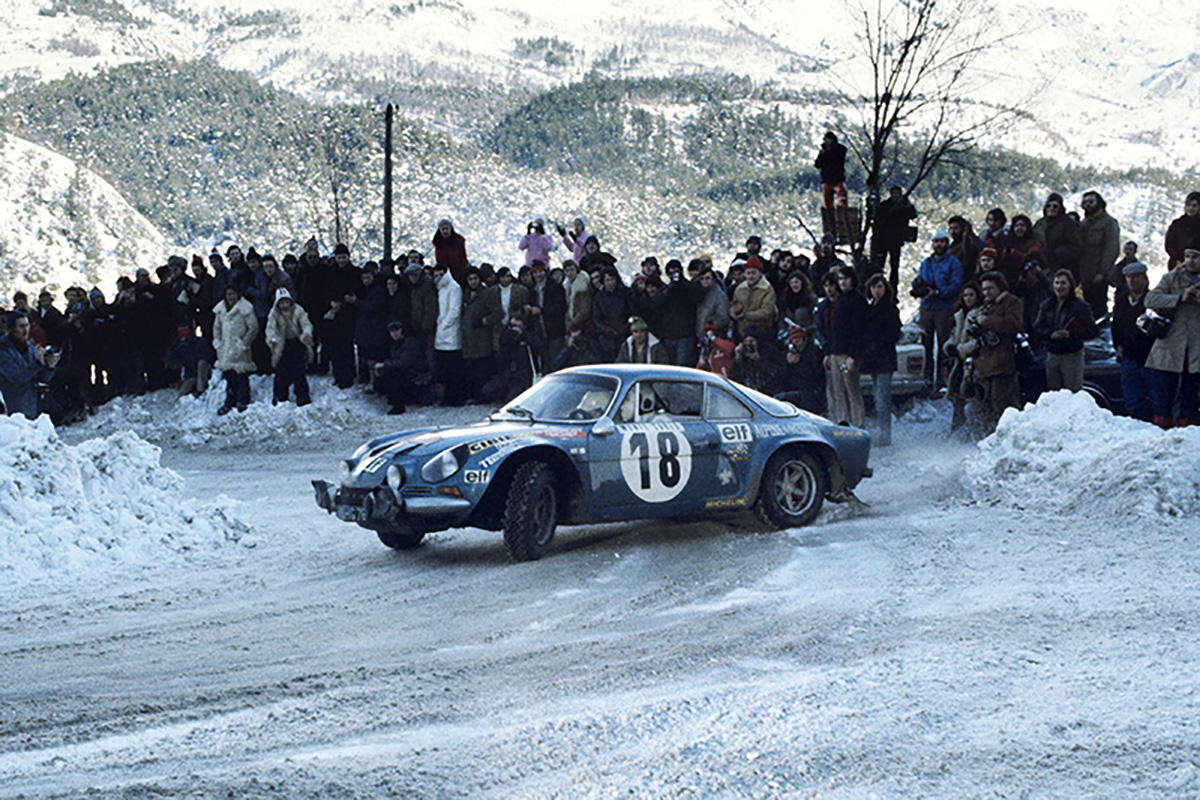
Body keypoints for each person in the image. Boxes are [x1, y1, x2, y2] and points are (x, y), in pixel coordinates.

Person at [1145, 245, 1200, 427]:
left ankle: (1188, 431)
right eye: (1187, 256)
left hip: (1196, 349)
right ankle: (1162, 430)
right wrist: (1178, 297)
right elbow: (1150, 299)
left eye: (1195, 257)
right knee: (1164, 396)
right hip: (1170, 347)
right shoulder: (1172, 278)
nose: (1190, 261)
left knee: (1190, 397)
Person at [970, 272, 1024, 430]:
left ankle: (1008, 433)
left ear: (1000, 287)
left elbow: (1014, 324)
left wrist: (987, 321)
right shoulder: (988, 305)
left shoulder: (1010, 302)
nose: (986, 292)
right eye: (984, 289)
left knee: (1001, 404)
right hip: (986, 363)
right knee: (987, 404)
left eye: (990, 288)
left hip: (1003, 361)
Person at [912, 229, 964, 389]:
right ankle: (926, 379)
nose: (938, 245)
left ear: (947, 243)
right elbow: (921, 278)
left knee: (944, 345)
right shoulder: (926, 263)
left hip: (944, 308)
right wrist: (918, 285)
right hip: (926, 307)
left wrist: (939, 292)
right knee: (925, 344)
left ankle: (943, 381)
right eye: (936, 241)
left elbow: (956, 286)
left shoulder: (954, 263)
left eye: (941, 241)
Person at [1033, 269, 1097, 392]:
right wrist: (1050, 334)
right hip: (1052, 354)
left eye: (1063, 283)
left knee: (1073, 393)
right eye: (1056, 283)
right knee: (1053, 394)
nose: (1059, 287)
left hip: (1072, 356)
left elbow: (1091, 330)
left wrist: (1070, 334)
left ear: (1070, 285)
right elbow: (1038, 327)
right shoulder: (1047, 305)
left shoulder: (1080, 306)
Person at [1110, 261, 1157, 421]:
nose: (1132, 281)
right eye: (1129, 277)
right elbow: (1116, 325)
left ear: (1144, 278)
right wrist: (1118, 345)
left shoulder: (1152, 300)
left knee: (1155, 395)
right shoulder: (1122, 301)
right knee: (1132, 395)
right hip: (1128, 355)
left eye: (1136, 277)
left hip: (1149, 356)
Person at [860, 274, 901, 446]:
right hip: (873, 358)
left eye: (880, 287)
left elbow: (894, 333)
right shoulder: (870, 307)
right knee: (877, 396)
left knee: (883, 398)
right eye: (874, 287)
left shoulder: (890, 308)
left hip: (884, 357)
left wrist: (877, 344)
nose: (877, 291)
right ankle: (881, 432)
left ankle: (885, 435)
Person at [825, 267, 869, 428]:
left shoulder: (858, 300)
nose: (842, 282)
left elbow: (860, 331)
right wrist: (829, 352)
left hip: (848, 354)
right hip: (835, 352)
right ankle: (843, 426)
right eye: (840, 279)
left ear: (852, 279)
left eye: (845, 278)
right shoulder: (840, 299)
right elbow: (833, 329)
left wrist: (853, 355)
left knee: (852, 393)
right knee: (838, 393)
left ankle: (858, 426)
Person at [0, 311, 59, 418]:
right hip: (11, 407)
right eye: (21, 326)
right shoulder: (3, 350)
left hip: (32, 404)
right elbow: (16, 377)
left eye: (27, 325)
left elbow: (41, 379)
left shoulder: (29, 347)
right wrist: (37, 363)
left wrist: (49, 367)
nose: (26, 330)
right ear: (11, 329)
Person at [943, 282, 983, 432]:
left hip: (973, 360)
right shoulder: (959, 314)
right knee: (956, 395)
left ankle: (971, 429)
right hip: (958, 361)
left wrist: (962, 350)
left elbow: (978, 340)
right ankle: (957, 427)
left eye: (971, 295)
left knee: (970, 395)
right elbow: (954, 335)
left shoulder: (980, 314)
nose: (968, 298)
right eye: (965, 295)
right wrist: (950, 346)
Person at [212, 285, 258, 415]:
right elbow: (216, 327)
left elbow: (253, 327)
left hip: (240, 349)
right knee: (229, 377)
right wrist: (217, 341)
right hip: (225, 349)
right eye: (229, 294)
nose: (231, 297)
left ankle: (243, 400)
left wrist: (244, 343)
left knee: (241, 376)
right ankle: (230, 401)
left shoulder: (245, 308)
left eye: (233, 294)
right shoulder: (220, 309)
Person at [265, 288, 314, 406]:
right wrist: (272, 339)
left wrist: (306, 334)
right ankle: (280, 395)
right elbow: (270, 328)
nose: (284, 305)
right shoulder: (274, 313)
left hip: (297, 342)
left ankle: (302, 396)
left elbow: (306, 323)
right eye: (282, 303)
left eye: (286, 302)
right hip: (282, 344)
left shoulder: (298, 310)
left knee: (299, 370)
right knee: (281, 370)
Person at [460, 267, 503, 400]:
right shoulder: (465, 295)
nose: (473, 282)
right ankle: (473, 395)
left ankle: (482, 396)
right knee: (470, 370)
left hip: (482, 339)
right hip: (468, 339)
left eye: (475, 279)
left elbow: (498, 313)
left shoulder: (487, 293)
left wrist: (484, 321)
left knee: (481, 370)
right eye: (470, 279)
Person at [1078, 190, 1121, 320]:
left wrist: (1102, 272)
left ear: (1099, 203)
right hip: (1083, 275)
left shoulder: (1108, 223)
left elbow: (1111, 249)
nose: (1088, 205)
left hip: (1097, 275)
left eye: (1091, 202)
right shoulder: (1083, 224)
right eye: (1085, 202)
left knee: (1098, 310)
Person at [373, 321, 430, 413]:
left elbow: (404, 362)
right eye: (392, 331)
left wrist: (384, 364)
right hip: (406, 372)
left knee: (393, 374)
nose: (394, 334)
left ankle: (398, 405)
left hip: (415, 376)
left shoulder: (410, 343)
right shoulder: (395, 343)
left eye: (397, 330)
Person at [871, 186, 917, 291]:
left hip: (896, 241)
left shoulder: (903, 207)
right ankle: (878, 287)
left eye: (898, 193)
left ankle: (893, 289)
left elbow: (913, 214)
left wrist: (907, 203)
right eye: (894, 193)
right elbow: (877, 220)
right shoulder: (884, 206)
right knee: (879, 266)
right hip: (883, 240)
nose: (896, 196)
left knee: (894, 267)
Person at [432, 263, 465, 405]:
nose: (438, 278)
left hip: (450, 333)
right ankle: (446, 397)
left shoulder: (454, 287)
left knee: (453, 368)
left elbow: (455, 311)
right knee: (444, 368)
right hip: (442, 333)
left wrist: (444, 325)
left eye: (441, 274)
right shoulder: (440, 288)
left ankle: (455, 398)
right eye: (436, 275)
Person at [775, 326, 825, 415]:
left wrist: (801, 362)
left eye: (798, 341)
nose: (796, 345)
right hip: (796, 389)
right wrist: (789, 365)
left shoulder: (814, 353)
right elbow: (783, 379)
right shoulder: (791, 354)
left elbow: (816, 376)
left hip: (811, 391)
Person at [1034, 193, 1082, 279]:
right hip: (1042, 266)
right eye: (1049, 206)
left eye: (1055, 206)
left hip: (1063, 266)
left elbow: (1076, 246)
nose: (1051, 208)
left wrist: (1056, 253)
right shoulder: (1040, 223)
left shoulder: (1069, 224)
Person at [730, 324, 784, 396]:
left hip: (768, 392)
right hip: (748, 391)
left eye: (751, 341)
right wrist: (737, 359)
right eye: (746, 341)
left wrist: (759, 360)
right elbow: (733, 376)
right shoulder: (744, 355)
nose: (749, 344)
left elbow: (777, 373)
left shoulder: (770, 352)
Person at [731, 256, 776, 337]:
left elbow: (767, 311)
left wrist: (746, 315)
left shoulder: (767, 289)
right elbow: (733, 306)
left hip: (761, 331)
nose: (751, 276)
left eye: (753, 273)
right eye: (748, 273)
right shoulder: (740, 289)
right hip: (742, 331)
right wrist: (734, 313)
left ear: (760, 273)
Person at [814, 132, 848, 233]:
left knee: (842, 199)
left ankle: (843, 223)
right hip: (827, 181)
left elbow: (842, 152)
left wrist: (831, 148)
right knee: (828, 207)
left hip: (838, 180)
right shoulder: (824, 151)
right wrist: (823, 153)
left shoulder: (839, 149)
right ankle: (832, 228)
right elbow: (818, 164)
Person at [1164, 192, 1200, 269]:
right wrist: (1178, 259)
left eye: (1194, 206)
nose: (1191, 208)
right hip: (1178, 263)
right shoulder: (1177, 225)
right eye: (1188, 205)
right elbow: (1169, 245)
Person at [432, 219, 470, 287]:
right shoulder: (438, 242)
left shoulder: (459, 241)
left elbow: (463, 257)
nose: (445, 231)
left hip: (460, 270)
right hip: (445, 273)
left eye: (447, 229)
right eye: (443, 229)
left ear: (450, 229)